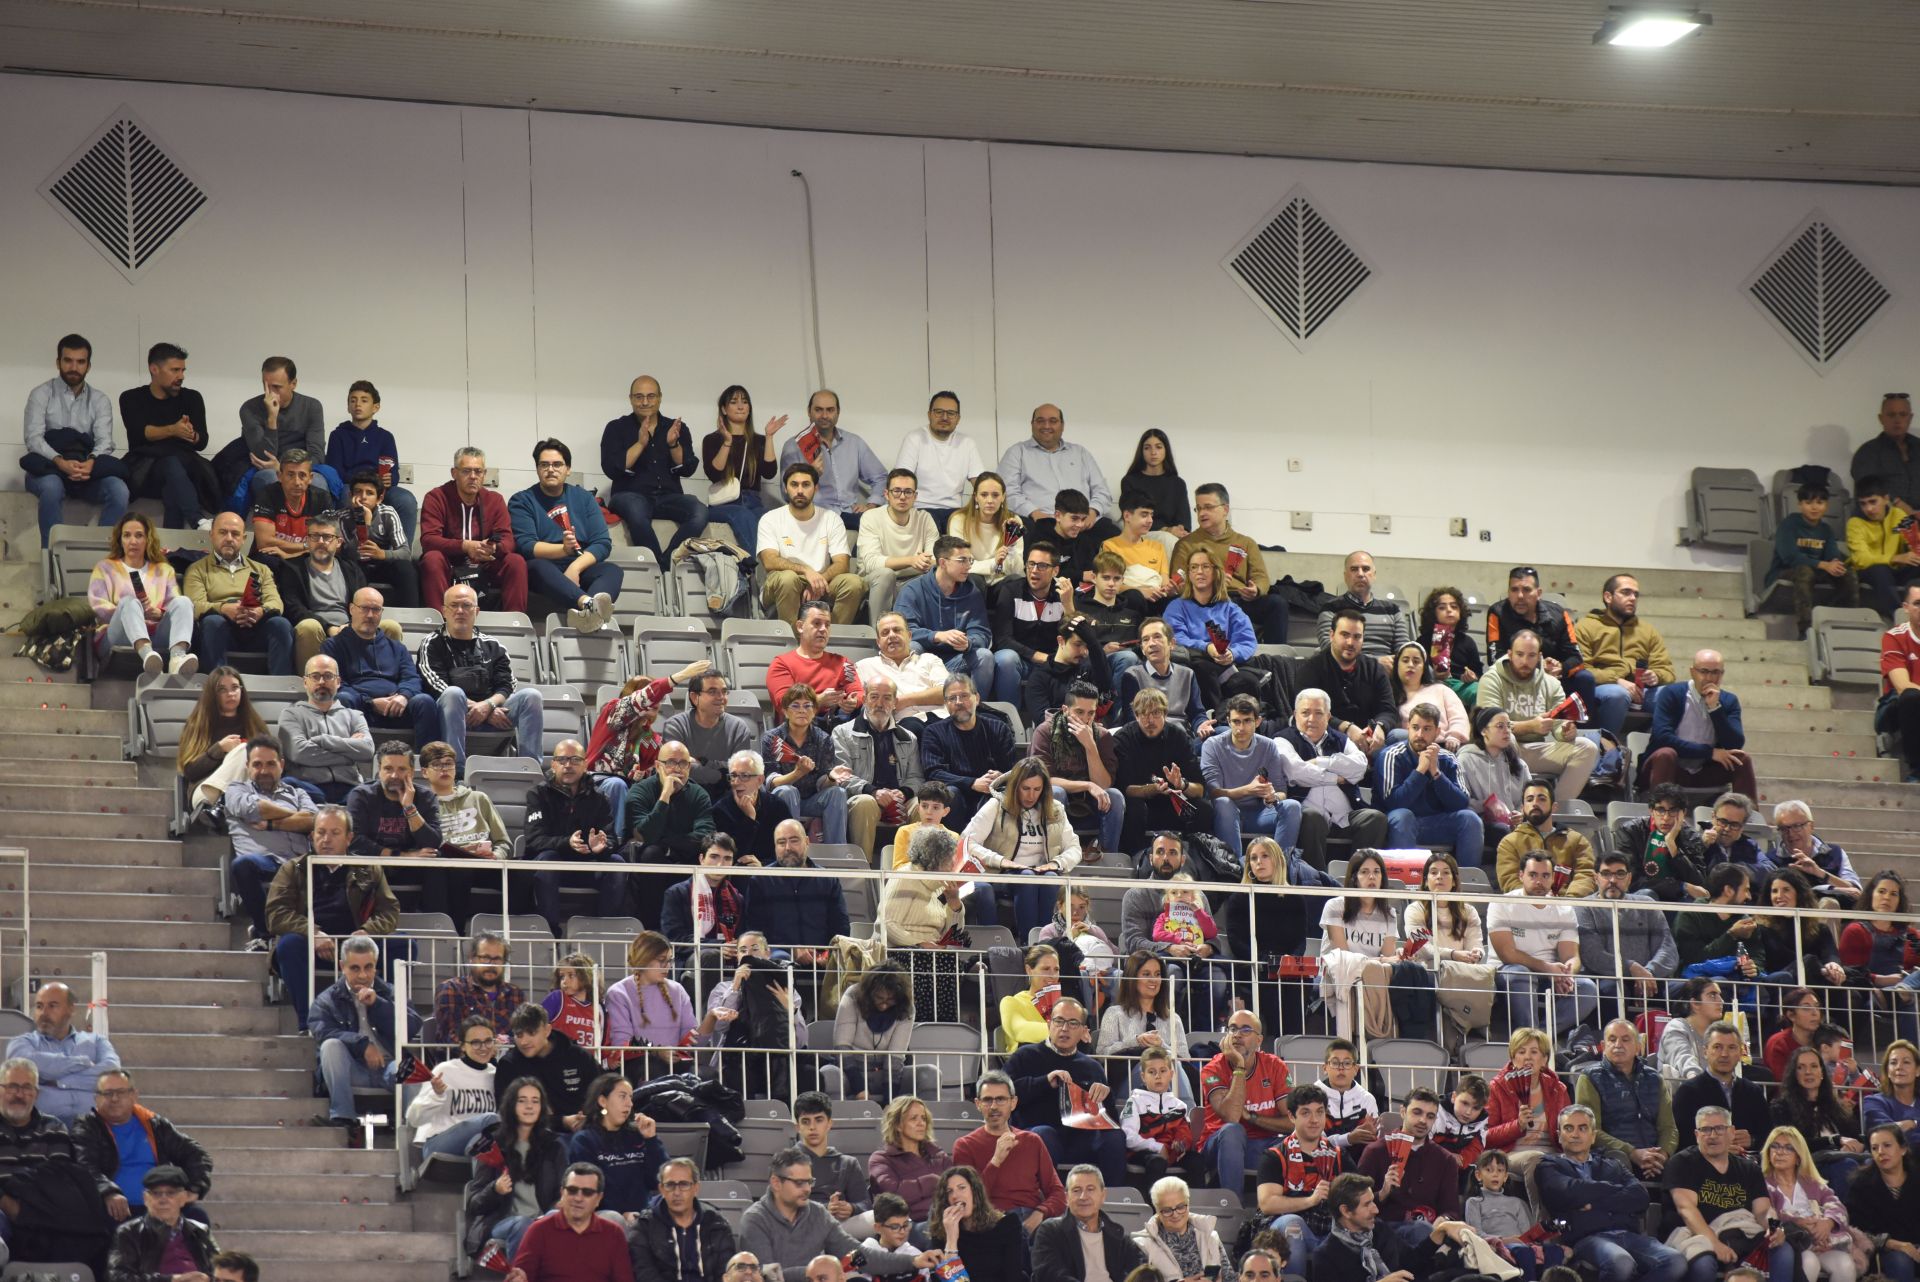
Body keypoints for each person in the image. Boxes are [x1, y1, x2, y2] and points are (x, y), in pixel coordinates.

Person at [263, 803, 401, 1026]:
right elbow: (275, 914)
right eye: (321, 832)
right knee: (288, 946)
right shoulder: (294, 868)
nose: (326, 839)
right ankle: (309, 1022)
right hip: (312, 944)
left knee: (404, 945)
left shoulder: (368, 867)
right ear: (311, 835)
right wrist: (313, 932)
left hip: (356, 944)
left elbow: (389, 910)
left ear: (349, 838)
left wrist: (367, 932)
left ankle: (389, 1019)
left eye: (335, 833)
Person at [1535, 1105, 1687, 1282]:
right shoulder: (1548, 1167)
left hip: (1628, 1234)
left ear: (1593, 1136)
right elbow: (1567, 1191)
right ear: (1559, 1135)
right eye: (1568, 1128)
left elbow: (1640, 1196)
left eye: (1582, 1128)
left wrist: (1592, 1203)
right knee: (1621, 1262)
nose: (1575, 1134)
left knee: (1676, 1261)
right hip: (1586, 1239)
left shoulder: (1612, 1164)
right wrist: (1614, 1190)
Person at [738, 1147, 936, 1278]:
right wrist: (819, 1273)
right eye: (799, 1183)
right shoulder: (755, 1219)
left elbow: (860, 1257)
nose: (807, 1189)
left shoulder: (817, 1214)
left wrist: (913, 1261)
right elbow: (766, 1276)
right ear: (776, 1183)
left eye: (810, 1181)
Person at [1665, 1103, 1795, 1282]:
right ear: (1696, 1135)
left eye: (1719, 1129)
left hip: (1742, 1234)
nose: (1712, 1135)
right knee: (1703, 1264)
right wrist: (1715, 1243)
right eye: (1706, 1130)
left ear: (1732, 1132)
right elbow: (1686, 1209)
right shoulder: (1682, 1163)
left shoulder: (1749, 1168)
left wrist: (1774, 1227)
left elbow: (1763, 1210)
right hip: (1697, 1236)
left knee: (1783, 1251)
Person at [22, 333, 128, 547]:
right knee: (52, 488)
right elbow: (33, 439)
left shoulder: (99, 400)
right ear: (58, 362)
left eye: (80, 362)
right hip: (49, 469)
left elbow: (105, 441)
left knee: (119, 490)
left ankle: (100, 554)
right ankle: (53, 558)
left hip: (86, 471)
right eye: (68, 360)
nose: (74, 367)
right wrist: (60, 462)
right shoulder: (41, 394)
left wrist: (90, 462)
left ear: (88, 366)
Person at [72, 1067, 212, 1230]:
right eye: (108, 1093)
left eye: (121, 1092)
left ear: (134, 1096)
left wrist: (194, 1188)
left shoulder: (154, 1124)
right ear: (97, 1099)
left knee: (197, 1217)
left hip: (160, 1203)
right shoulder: (87, 1127)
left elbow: (197, 1155)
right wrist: (108, 1192)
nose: (115, 1099)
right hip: (113, 1208)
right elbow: (85, 1166)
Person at [420, 582, 544, 765]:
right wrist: (480, 708)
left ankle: (529, 768)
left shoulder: (494, 645)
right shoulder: (431, 644)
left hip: (492, 709)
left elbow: (507, 684)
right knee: (453, 694)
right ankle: (457, 769)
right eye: (454, 605)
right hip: (454, 711)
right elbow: (437, 686)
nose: (460, 611)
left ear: (476, 611)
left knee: (531, 696)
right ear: (444, 611)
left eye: (466, 605)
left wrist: (488, 706)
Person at [308, 935, 421, 1133]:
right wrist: (362, 1045)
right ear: (342, 966)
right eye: (355, 968)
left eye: (368, 967)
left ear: (376, 966)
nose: (362, 975)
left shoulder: (391, 992)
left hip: (389, 1065)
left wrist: (379, 1005)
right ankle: (343, 1118)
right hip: (352, 1069)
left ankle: (411, 1130)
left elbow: (412, 1027)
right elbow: (323, 1032)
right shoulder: (326, 999)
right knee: (330, 1046)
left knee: (409, 1067)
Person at [1005, 998, 1125, 1184]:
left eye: (1073, 1023)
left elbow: (1110, 1120)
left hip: (1080, 1139)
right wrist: (1044, 1082)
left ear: (1084, 1031)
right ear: (1049, 1024)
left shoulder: (1092, 1067)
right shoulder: (1025, 1056)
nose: (1064, 1028)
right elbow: (1004, 1095)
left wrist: (1105, 1097)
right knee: (1044, 1134)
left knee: (1114, 1137)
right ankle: (1044, 1201)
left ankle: (1112, 1203)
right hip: (1036, 1133)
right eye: (1059, 1021)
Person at [1476, 630, 1601, 802]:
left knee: (1587, 747)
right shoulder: (1492, 679)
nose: (1525, 661)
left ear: (1540, 657)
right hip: (1500, 750)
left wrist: (1565, 730)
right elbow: (1488, 726)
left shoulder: (1552, 684)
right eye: (1519, 655)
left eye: (1531, 656)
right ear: (1509, 654)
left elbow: (1558, 724)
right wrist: (1530, 726)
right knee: (1505, 738)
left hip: (1534, 750)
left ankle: (1552, 810)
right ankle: (1509, 808)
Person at [510, 439, 622, 631]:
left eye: (557, 464)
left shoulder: (584, 498)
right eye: (544, 465)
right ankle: (588, 605)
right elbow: (526, 545)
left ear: (568, 469)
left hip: (580, 562)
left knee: (612, 570)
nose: (550, 470)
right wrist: (563, 550)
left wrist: (575, 568)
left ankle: (587, 615)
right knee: (536, 566)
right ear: (537, 469)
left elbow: (602, 543)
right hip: (545, 567)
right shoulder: (522, 500)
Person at [1274, 687, 1389, 866]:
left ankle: (1359, 878)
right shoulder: (1282, 740)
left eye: (1318, 713)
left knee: (1375, 818)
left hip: (1344, 815)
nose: (1311, 719)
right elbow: (1296, 773)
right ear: (1295, 714)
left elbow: (1359, 767)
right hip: (1308, 814)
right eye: (1305, 713)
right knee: (1312, 817)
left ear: (1328, 717)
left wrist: (1322, 761)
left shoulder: (1341, 739)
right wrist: (1336, 777)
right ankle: (1317, 883)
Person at [223, 735, 318, 946]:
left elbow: (313, 821)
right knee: (243, 865)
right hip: (264, 862)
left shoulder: (298, 793)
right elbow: (257, 808)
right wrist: (294, 816)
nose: (264, 770)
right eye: (257, 764)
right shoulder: (235, 791)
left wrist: (272, 824)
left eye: (270, 764)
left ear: (281, 765)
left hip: (300, 864)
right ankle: (265, 932)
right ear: (247, 766)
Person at [1489, 851, 1598, 1033]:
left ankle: (1539, 1037)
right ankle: (1529, 1034)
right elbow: (1508, 955)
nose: (1539, 881)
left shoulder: (1564, 909)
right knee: (1520, 974)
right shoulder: (1501, 903)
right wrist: (1548, 969)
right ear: (1521, 875)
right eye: (1533, 875)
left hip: (1549, 975)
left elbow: (1571, 956)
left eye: (1545, 875)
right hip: (1509, 971)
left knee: (1587, 988)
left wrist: (1565, 974)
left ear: (1553, 878)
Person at [602, 375, 706, 559]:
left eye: (651, 396)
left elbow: (688, 468)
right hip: (629, 496)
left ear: (659, 398)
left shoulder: (676, 427)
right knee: (636, 508)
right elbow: (611, 469)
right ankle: (657, 565)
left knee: (699, 511)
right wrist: (640, 444)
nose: (645, 402)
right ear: (631, 399)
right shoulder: (616, 427)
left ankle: (666, 563)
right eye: (639, 397)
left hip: (668, 496)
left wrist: (673, 444)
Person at [276, 511, 394, 672]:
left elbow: (364, 601)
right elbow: (293, 608)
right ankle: (311, 685)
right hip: (318, 630)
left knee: (391, 626)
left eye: (327, 537)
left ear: (338, 542)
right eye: (315, 536)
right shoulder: (292, 569)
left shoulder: (351, 569)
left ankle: (386, 681)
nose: (321, 542)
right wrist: (329, 627)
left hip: (352, 626)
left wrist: (352, 626)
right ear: (307, 540)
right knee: (308, 626)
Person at [1308, 1172, 1478, 1282]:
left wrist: (1442, 1230)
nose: (1375, 1209)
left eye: (1373, 1202)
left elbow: (1413, 1261)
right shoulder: (1325, 1256)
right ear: (1345, 1211)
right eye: (1367, 1205)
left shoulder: (1378, 1230)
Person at [323, 587, 443, 743]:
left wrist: (403, 696)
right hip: (359, 707)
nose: (370, 615)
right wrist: (370, 702)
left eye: (376, 609)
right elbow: (337, 683)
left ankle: (426, 763)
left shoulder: (397, 648)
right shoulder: (333, 646)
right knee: (342, 698)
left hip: (395, 709)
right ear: (351, 609)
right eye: (364, 608)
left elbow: (412, 678)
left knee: (425, 701)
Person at [1355, 1087, 1468, 1251]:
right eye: (1417, 1112)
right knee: (1421, 1231)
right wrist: (1383, 1192)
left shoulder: (1445, 1160)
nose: (1423, 1120)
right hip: (1384, 1232)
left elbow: (1451, 1209)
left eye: (1430, 1116)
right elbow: (1355, 1204)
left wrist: (1443, 1220)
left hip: (1430, 1233)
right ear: (1402, 1112)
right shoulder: (1375, 1151)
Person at [1401, 852, 1495, 1048]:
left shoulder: (1468, 911)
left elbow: (1476, 943)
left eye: (1445, 873)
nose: (1439, 877)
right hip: (1428, 970)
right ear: (1426, 880)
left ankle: (1473, 1030)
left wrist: (1476, 953)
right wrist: (1453, 954)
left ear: (1454, 880)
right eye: (1433, 873)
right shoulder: (1415, 909)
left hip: (1461, 970)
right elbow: (1423, 949)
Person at [119, 341, 216, 529]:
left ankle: (170, 553)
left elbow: (201, 440)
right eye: (175, 370)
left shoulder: (192, 398)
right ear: (154, 369)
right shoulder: (131, 398)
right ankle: (196, 520)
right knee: (170, 464)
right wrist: (173, 430)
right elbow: (139, 433)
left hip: (185, 466)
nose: (181, 376)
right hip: (147, 467)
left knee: (174, 477)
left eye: (183, 370)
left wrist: (190, 434)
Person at [1222, 839, 1314, 1038]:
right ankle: (1275, 1046)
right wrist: (1263, 960)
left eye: (1265, 856)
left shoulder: (1294, 897)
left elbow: (1300, 940)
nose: (1258, 862)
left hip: (1285, 966)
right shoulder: (1240, 897)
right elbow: (1236, 939)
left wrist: (1289, 961)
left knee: (1300, 982)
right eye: (1253, 858)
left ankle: (1292, 1045)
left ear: (1277, 861)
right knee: (1269, 985)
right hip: (1254, 965)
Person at [951, 1070, 1066, 1229]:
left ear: (1013, 1102)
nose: (993, 1107)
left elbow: (1058, 1193)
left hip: (1030, 1216)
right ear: (977, 1104)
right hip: (990, 1219)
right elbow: (968, 1201)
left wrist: (1040, 1214)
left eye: (1000, 1099)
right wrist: (996, 1160)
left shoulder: (1031, 1141)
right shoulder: (965, 1145)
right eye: (987, 1100)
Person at [1171, 484, 1286, 642]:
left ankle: (1276, 658)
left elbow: (1260, 577)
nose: (1202, 513)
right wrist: (1212, 585)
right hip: (1205, 600)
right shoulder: (1186, 544)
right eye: (1198, 508)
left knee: (1276, 603)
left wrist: (1256, 590)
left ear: (1225, 509)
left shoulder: (1246, 543)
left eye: (1208, 507)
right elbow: (1179, 582)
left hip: (1239, 597)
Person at [346, 742, 450, 917]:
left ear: (411, 771)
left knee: (436, 859)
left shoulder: (425, 797)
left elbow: (433, 842)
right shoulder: (361, 795)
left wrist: (409, 808)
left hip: (411, 869)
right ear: (379, 770)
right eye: (388, 769)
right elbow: (355, 842)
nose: (394, 775)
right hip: (375, 864)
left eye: (402, 769)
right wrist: (404, 857)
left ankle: (435, 921)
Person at [420, 446, 529, 613]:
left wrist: (493, 547)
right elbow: (428, 540)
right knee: (432, 558)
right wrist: (466, 546)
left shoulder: (495, 500)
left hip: (485, 564)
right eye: (466, 471)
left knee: (516, 562)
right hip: (450, 564)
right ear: (454, 473)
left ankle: (515, 625)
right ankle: (439, 624)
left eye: (478, 471)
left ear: (484, 474)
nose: (473, 477)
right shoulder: (436, 497)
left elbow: (507, 540)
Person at [184, 511, 295, 674]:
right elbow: (194, 606)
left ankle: (282, 687)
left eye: (235, 534)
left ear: (244, 539)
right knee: (212, 622)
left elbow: (276, 603)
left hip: (256, 626)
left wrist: (259, 611)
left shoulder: (261, 569)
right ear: (211, 535)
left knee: (281, 624)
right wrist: (223, 609)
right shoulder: (197, 569)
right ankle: (216, 684)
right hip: (222, 628)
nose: (229, 538)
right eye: (223, 532)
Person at [87, 513, 197, 675]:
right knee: (129, 602)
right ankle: (147, 656)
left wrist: (159, 613)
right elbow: (97, 606)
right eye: (127, 535)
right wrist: (133, 613)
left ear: (148, 540)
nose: (133, 541)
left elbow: (173, 604)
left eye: (139, 535)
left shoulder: (164, 570)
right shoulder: (104, 568)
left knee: (184, 601)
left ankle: (177, 658)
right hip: (117, 633)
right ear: (120, 540)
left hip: (156, 632)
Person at [1375, 700, 1485, 862]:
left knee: (1470, 819)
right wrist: (1420, 771)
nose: (1419, 734)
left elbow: (1461, 802)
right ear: (1408, 728)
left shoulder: (1448, 758)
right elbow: (1394, 802)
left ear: (1437, 732)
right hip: (1399, 823)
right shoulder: (1391, 755)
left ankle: (1467, 880)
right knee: (1402, 816)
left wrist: (1436, 773)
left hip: (1436, 823)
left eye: (1427, 729)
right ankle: (1404, 880)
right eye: (1415, 728)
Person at [620, 741, 717, 925]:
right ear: (658, 766)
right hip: (646, 863)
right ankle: (651, 927)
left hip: (684, 856)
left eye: (683, 763)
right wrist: (664, 796)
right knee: (652, 854)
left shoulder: (699, 794)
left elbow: (704, 837)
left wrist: (665, 842)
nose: (678, 769)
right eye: (671, 762)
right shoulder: (639, 791)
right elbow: (645, 835)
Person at [1197, 1010, 1291, 1192]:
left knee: (1299, 1140)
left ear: (1259, 1040)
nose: (1237, 1035)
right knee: (1233, 1131)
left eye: (1246, 1030)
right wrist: (1239, 1066)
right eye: (1232, 1029)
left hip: (1260, 1146)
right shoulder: (1213, 1069)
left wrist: (1251, 1117)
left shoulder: (1274, 1065)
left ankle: (1289, 1205)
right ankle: (1233, 1207)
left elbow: (1292, 1122)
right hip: (1219, 1146)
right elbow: (1232, 1117)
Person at [1572, 1019, 1678, 1180]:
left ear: (1638, 1046)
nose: (1618, 1045)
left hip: (1653, 1158)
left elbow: (1668, 1127)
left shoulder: (1655, 1078)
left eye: (1626, 1039)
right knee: (1618, 1163)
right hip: (1611, 1157)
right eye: (1612, 1039)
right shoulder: (1590, 1078)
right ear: (1604, 1045)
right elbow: (1590, 1130)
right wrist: (1632, 1153)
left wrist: (1661, 1155)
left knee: (1684, 1164)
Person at [5, 982, 120, 1128]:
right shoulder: (22, 1043)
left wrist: (57, 1081)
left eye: (52, 1006)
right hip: (42, 1133)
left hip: (93, 1131)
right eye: (39, 1006)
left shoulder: (96, 1042)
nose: (44, 1013)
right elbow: (27, 1067)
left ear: (71, 1009)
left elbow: (111, 1073)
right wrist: (81, 1062)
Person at [1643, 649, 1758, 795]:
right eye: (1704, 671)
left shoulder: (1729, 701)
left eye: (1716, 672)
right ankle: (1658, 813)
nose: (1710, 677)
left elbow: (1735, 743)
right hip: (1669, 767)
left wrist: (1715, 708)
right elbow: (1662, 738)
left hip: (1703, 770)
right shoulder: (1672, 693)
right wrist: (1709, 752)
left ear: (1722, 674)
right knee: (1666, 754)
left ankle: (1747, 815)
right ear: (1692, 672)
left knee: (1741, 759)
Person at [833, 678, 924, 860]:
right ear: (865, 699)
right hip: (864, 797)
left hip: (899, 798)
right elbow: (841, 776)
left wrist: (903, 793)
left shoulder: (909, 738)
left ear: (895, 702)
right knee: (865, 803)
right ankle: (863, 871)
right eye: (874, 697)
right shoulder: (842, 732)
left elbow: (916, 777)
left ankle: (914, 869)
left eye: (886, 698)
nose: (880, 704)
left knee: (922, 806)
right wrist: (873, 791)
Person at [1291, 610, 1399, 757]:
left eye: (1357, 637)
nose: (1350, 643)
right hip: (1328, 737)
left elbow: (1388, 710)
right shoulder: (1311, 670)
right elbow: (1308, 715)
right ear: (1331, 635)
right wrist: (1346, 728)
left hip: (1370, 739)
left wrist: (1380, 727)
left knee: (1399, 737)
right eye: (1345, 635)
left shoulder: (1374, 669)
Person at [1577, 853, 1679, 1009]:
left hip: (1648, 977)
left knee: (1687, 989)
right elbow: (1593, 955)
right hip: (1607, 978)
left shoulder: (1646, 903)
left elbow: (1668, 949)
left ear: (1629, 878)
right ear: (1595, 878)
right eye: (1606, 874)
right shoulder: (1583, 907)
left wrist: (1647, 973)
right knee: (1613, 989)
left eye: (1620, 874)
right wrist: (1631, 967)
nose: (1612, 880)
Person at [1113, 688, 1208, 852]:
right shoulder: (1123, 739)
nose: (1150, 720)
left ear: (1165, 714)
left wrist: (1182, 784)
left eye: (1156, 713)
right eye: (1144, 714)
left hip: (1173, 802)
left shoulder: (1178, 736)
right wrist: (1152, 789)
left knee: (1204, 808)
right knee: (1133, 808)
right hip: (1141, 805)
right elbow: (1124, 789)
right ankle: (1135, 858)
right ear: (1136, 716)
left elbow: (1199, 789)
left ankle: (1196, 859)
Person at [1163, 548, 1256, 714]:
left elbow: (1247, 641)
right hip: (1194, 664)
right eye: (1194, 567)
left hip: (1226, 666)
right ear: (1189, 574)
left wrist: (1232, 654)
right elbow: (1175, 638)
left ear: (1216, 572)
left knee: (1248, 681)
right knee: (1202, 669)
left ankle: (1249, 728)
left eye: (1205, 566)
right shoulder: (1177, 607)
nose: (1199, 572)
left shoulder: (1230, 608)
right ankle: (1213, 721)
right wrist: (1207, 647)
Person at [918, 675, 1019, 825]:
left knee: (1004, 794)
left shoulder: (998, 728)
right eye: (952, 698)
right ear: (946, 704)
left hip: (990, 792)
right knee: (950, 793)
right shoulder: (933, 732)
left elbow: (1012, 770)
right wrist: (972, 783)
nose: (958, 702)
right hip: (956, 795)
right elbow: (933, 773)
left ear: (976, 698)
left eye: (964, 696)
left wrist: (1000, 777)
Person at [1575, 575, 1675, 726]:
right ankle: (1607, 745)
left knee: (1673, 695)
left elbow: (1668, 671)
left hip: (1643, 690)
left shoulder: (1647, 630)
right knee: (1618, 694)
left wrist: (1656, 676)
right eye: (1626, 592)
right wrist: (1616, 680)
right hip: (1603, 688)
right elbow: (1582, 671)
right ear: (1608, 597)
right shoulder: (1586, 627)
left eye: (1636, 594)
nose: (1633, 598)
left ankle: (1663, 746)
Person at [326, 378, 417, 542]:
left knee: (406, 499)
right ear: (348, 406)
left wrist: (389, 479)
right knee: (344, 495)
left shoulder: (385, 437)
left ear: (376, 407)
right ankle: (346, 549)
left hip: (379, 488)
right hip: (352, 486)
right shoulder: (338, 435)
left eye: (364, 400)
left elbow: (394, 474)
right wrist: (363, 483)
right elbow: (335, 471)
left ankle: (402, 555)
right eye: (353, 401)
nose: (357, 405)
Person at [567, 1074, 666, 1222]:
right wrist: (623, 1214)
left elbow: (659, 1180)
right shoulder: (584, 1141)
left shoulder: (637, 1134)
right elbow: (587, 1190)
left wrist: (651, 1139)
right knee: (614, 1218)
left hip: (641, 1217)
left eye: (630, 1097)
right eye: (622, 1096)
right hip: (602, 1217)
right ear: (602, 1101)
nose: (629, 1104)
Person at [762, 684, 854, 844]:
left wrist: (832, 778)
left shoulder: (824, 739)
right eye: (795, 706)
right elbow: (772, 783)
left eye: (807, 706)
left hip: (812, 799)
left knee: (837, 792)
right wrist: (798, 773)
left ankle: (836, 853)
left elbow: (822, 783)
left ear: (814, 711)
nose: (802, 710)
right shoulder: (772, 738)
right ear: (785, 711)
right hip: (781, 799)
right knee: (788, 791)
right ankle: (792, 848)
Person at [280, 654, 375, 804]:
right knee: (289, 783)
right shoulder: (291, 714)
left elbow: (368, 750)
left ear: (338, 682)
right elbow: (299, 752)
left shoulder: (354, 715)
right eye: (315, 676)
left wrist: (323, 740)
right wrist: (350, 751)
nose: (322, 682)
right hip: (310, 788)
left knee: (377, 788)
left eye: (328, 676)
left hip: (350, 788)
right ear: (305, 682)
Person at [702, 384, 785, 552]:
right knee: (743, 515)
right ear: (724, 409)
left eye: (745, 402)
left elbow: (769, 472)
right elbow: (714, 474)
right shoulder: (712, 439)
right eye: (734, 402)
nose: (740, 406)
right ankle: (753, 569)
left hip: (753, 501)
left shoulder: (758, 440)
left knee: (771, 519)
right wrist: (727, 442)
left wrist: (769, 437)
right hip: (724, 503)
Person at [988, 539, 1071, 706]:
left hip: (1052, 661)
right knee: (1005, 658)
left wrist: (1069, 604)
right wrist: (1037, 656)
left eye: (1041, 566)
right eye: (1030, 564)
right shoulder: (1011, 591)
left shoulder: (1062, 594)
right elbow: (1003, 639)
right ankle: (1009, 718)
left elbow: (1074, 637)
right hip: (1021, 659)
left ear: (1055, 570)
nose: (1034, 571)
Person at [1031, 1165, 1148, 1282]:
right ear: (1066, 1197)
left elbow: (1140, 1271)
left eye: (1090, 1189)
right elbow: (1050, 1274)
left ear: (1103, 1195)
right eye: (1076, 1190)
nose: (1083, 1197)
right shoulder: (1051, 1231)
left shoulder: (1119, 1238)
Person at [628, 1156, 737, 1282]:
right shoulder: (644, 1226)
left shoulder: (716, 1224)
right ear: (661, 1189)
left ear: (696, 1188)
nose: (677, 1192)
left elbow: (725, 1273)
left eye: (684, 1184)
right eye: (670, 1185)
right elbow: (645, 1275)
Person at [1000, 404, 1113, 524]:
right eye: (1040, 421)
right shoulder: (1017, 452)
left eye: (1053, 421)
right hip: (1038, 522)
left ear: (1062, 425)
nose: (1046, 426)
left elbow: (1102, 491)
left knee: (1112, 532)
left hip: (1084, 523)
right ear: (1032, 424)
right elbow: (1007, 492)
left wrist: (1093, 512)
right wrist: (1035, 513)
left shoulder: (1080, 453)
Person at [408, 1014, 501, 1161]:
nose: (483, 1047)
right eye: (476, 1042)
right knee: (491, 1119)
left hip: (476, 1143)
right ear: (463, 1045)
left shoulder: (495, 1075)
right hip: (439, 1143)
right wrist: (437, 1095)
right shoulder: (446, 1070)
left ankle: (480, 1183)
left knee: (481, 1144)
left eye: (488, 1041)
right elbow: (414, 1118)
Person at [238, 355, 331, 501]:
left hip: (302, 468)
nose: (270, 393)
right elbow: (263, 456)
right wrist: (272, 419)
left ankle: (313, 524)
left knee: (318, 482)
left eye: (276, 387)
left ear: (293, 383)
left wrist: (284, 468)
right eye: (266, 386)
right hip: (267, 470)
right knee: (271, 479)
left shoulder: (312, 406)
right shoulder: (249, 408)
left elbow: (317, 455)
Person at [104, 1165, 220, 1282]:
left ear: (183, 1198)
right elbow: (117, 1277)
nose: (163, 1200)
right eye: (156, 1194)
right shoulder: (129, 1232)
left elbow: (219, 1269)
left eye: (171, 1193)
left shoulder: (200, 1230)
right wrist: (172, 1280)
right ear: (145, 1198)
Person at [177, 665, 267, 815]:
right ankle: (224, 802)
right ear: (212, 694)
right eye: (222, 690)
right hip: (206, 795)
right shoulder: (198, 724)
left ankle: (228, 801)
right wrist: (219, 749)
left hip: (250, 793)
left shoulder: (254, 724)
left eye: (235, 687)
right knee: (245, 749)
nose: (230, 694)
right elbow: (190, 771)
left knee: (248, 750)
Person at [1770, 482, 1861, 629]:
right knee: (1804, 571)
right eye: (1808, 502)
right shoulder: (1788, 525)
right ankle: (1805, 628)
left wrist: (1836, 564)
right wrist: (1824, 565)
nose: (1814, 507)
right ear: (1800, 505)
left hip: (1817, 570)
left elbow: (1832, 555)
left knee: (1848, 573)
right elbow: (1790, 557)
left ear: (1826, 505)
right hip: (1786, 571)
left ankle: (1845, 622)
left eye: (1820, 502)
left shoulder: (1826, 529)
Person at [1774, 1045, 1867, 1188]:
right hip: (1809, 1164)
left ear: (1822, 1072)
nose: (1808, 1072)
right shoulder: (1782, 1107)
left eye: (1813, 1066)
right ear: (1794, 1074)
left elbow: (1853, 1136)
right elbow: (1791, 1143)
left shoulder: (1837, 1106)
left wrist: (1857, 1145)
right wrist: (1834, 1140)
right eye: (1801, 1067)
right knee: (1846, 1166)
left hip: (1843, 1158)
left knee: (1871, 1163)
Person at [1485, 1026, 1569, 1184]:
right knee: (1536, 1160)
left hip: (1553, 1153)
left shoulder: (1558, 1089)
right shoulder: (1497, 1088)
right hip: (1511, 1153)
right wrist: (1517, 1125)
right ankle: (1540, 1210)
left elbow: (1567, 1129)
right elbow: (1485, 1137)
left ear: (1544, 1059)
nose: (1527, 1058)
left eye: (1534, 1052)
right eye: (1521, 1052)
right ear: (1513, 1058)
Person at [494, 1004, 599, 1129]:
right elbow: (508, 1113)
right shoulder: (509, 1065)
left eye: (531, 1033)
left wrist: (586, 1118)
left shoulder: (579, 1056)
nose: (524, 1042)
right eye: (519, 1035)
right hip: (532, 1136)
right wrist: (562, 1121)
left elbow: (601, 1094)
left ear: (547, 1030)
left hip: (583, 1130)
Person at [1672, 1022, 1771, 1153]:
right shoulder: (1688, 1092)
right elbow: (1681, 1141)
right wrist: (1717, 1148)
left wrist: (1753, 1140)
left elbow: (1769, 1135)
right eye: (1717, 1047)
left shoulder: (1753, 1091)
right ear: (1705, 1051)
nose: (1724, 1054)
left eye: (1731, 1047)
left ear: (1741, 1052)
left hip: (1747, 1167)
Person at [857, 468, 939, 618]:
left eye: (908, 492)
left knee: (935, 577)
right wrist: (912, 560)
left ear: (915, 496)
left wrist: (926, 562)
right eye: (896, 491)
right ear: (886, 494)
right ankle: (878, 634)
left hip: (913, 580)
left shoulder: (925, 519)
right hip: (876, 580)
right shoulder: (871, 517)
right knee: (885, 574)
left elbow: (935, 561)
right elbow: (871, 563)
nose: (902, 497)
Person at [1494, 778, 1595, 897]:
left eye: (1541, 799)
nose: (1535, 803)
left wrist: (1567, 903)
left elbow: (1585, 875)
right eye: (1529, 799)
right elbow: (1509, 880)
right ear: (1522, 808)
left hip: (1568, 908)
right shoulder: (1509, 843)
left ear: (1554, 807)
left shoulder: (1577, 840)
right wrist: (1538, 901)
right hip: (1525, 909)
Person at [926, 1165, 1025, 1282]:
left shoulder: (1007, 1225)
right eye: (949, 1191)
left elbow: (1013, 1276)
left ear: (975, 1192)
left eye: (961, 1188)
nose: (955, 1195)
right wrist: (951, 1240)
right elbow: (950, 1281)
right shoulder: (942, 1231)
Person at [1848, 1123, 1920, 1282]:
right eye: (1874, 1148)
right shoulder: (1861, 1185)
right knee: (1900, 1260)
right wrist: (1894, 1244)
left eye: (1887, 1145)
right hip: (1883, 1251)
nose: (1881, 1152)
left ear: (1903, 1149)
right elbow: (1857, 1230)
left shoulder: (1917, 1179)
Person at [344, 465, 420, 611]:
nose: (363, 497)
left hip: (382, 562)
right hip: (355, 564)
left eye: (369, 493)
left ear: (380, 498)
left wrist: (382, 554)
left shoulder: (388, 513)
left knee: (406, 567)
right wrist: (364, 523)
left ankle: (411, 614)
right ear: (350, 496)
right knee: (349, 568)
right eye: (358, 492)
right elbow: (348, 554)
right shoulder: (343, 516)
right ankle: (355, 615)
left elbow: (405, 552)